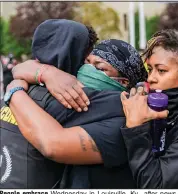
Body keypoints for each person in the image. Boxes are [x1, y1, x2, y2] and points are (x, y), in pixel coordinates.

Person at [4, 22, 148, 188]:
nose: (88, 70)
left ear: (124, 81)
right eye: (86, 63)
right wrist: (46, 73)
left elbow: (53, 145)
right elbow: (22, 68)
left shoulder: (124, 112)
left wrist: (15, 91)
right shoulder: (64, 95)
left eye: (99, 68)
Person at [0, 19, 98, 188]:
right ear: (74, 55)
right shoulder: (73, 102)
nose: (90, 69)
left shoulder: (17, 88)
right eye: (87, 61)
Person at [120, 29, 178, 188]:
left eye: (161, 70)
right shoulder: (158, 102)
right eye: (150, 69)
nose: (151, 78)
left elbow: (156, 186)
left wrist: (135, 128)